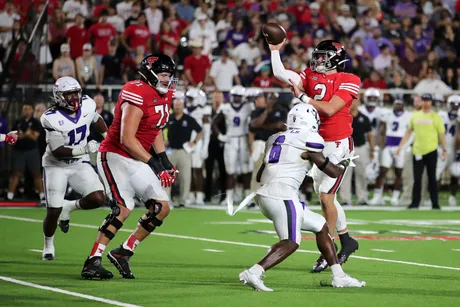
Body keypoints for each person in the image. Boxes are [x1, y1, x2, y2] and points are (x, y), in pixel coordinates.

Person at [235, 103, 365, 291]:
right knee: (291, 242)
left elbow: (258, 176)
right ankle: (254, 272)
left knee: (321, 226)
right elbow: (332, 171)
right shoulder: (310, 138)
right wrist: (344, 163)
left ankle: (339, 276)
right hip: (283, 194)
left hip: (264, 194)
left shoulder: (274, 138)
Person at [81, 54, 178, 280]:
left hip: (137, 157)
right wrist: (155, 164)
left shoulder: (166, 94)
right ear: (149, 73)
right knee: (123, 208)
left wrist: (165, 162)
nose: (168, 80)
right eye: (163, 74)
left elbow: (154, 130)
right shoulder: (136, 91)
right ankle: (92, 261)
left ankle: (124, 251)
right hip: (115, 155)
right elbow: (127, 138)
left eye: (170, 75)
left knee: (162, 207)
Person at [269, 39, 360, 272]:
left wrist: (302, 98)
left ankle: (326, 250)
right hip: (318, 143)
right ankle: (346, 239)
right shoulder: (310, 74)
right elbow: (280, 73)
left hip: (338, 143)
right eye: (317, 56)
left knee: (325, 197)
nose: (318, 60)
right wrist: (275, 51)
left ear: (336, 59)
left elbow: (330, 108)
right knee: (326, 197)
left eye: (323, 57)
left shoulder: (349, 80)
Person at [41, 77, 108, 261]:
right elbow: (58, 151)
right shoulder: (50, 117)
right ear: (59, 96)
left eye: (75, 92)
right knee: (53, 211)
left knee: (98, 197)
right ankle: (48, 244)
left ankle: (69, 207)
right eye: (68, 94)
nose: (73, 97)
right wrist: (85, 149)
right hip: (56, 165)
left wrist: (107, 137)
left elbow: (96, 118)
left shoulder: (87, 104)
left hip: (79, 163)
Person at [396, 94, 446, 210]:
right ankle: (415, 202)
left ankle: (435, 203)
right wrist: (400, 146)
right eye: (424, 100)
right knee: (417, 178)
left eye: (428, 100)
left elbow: (441, 134)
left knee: (432, 178)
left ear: (431, 102)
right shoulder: (416, 116)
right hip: (417, 150)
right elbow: (408, 132)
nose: (426, 103)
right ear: (422, 102)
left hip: (431, 150)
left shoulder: (436, 117)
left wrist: (444, 149)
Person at [212, 85, 254, 206]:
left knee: (247, 169)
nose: (236, 98)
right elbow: (214, 122)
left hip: (244, 139)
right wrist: (220, 136)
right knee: (230, 169)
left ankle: (247, 196)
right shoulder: (225, 107)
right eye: (235, 96)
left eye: (239, 96)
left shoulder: (248, 107)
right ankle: (229, 197)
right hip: (231, 140)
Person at [369, 99, 412, 206]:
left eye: (400, 104)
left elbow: (410, 132)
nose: (398, 106)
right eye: (396, 104)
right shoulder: (387, 114)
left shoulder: (408, 116)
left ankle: (395, 197)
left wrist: (405, 146)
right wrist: (378, 146)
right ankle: (377, 196)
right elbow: (382, 131)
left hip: (400, 147)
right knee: (382, 171)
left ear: (403, 105)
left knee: (399, 172)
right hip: (388, 146)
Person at [166, 92, 203, 207]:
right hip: (170, 150)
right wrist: (163, 140)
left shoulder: (189, 119)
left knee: (185, 177)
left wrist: (194, 142)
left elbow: (200, 131)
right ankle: (166, 200)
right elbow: (159, 129)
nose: (177, 106)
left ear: (183, 106)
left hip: (184, 151)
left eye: (179, 104)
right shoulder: (169, 118)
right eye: (176, 104)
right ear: (173, 105)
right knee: (167, 177)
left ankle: (183, 200)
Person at [339, 102, 373, 206]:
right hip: (346, 149)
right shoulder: (343, 117)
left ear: (358, 103)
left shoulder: (364, 118)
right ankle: (345, 199)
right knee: (345, 175)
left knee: (362, 174)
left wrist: (372, 149)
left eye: (354, 101)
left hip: (360, 148)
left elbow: (370, 134)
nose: (352, 103)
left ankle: (362, 198)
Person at [8, 103, 44, 201]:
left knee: (36, 173)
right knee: (16, 173)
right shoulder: (18, 122)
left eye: (28, 109)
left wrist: (24, 135)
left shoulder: (36, 122)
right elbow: (13, 137)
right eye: (24, 109)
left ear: (32, 110)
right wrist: (27, 134)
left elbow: (34, 136)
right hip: (19, 151)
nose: (26, 111)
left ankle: (42, 195)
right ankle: (9, 196)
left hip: (32, 151)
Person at [184, 87, 211, 206]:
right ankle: (190, 194)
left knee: (198, 169)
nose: (188, 101)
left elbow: (206, 130)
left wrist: (205, 146)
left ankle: (200, 195)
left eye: (191, 98)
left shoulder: (203, 111)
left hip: (198, 142)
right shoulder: (184, 111)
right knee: (188, 170)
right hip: (186, 143)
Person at [436, 95, 460, 206]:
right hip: (442, 147)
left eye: (457, 105)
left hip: (455, 148)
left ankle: (452, 196)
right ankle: (434, 196)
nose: (455, 107)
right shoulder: (441, 115)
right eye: (453, 105)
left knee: (455, 173)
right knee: (436, 173)